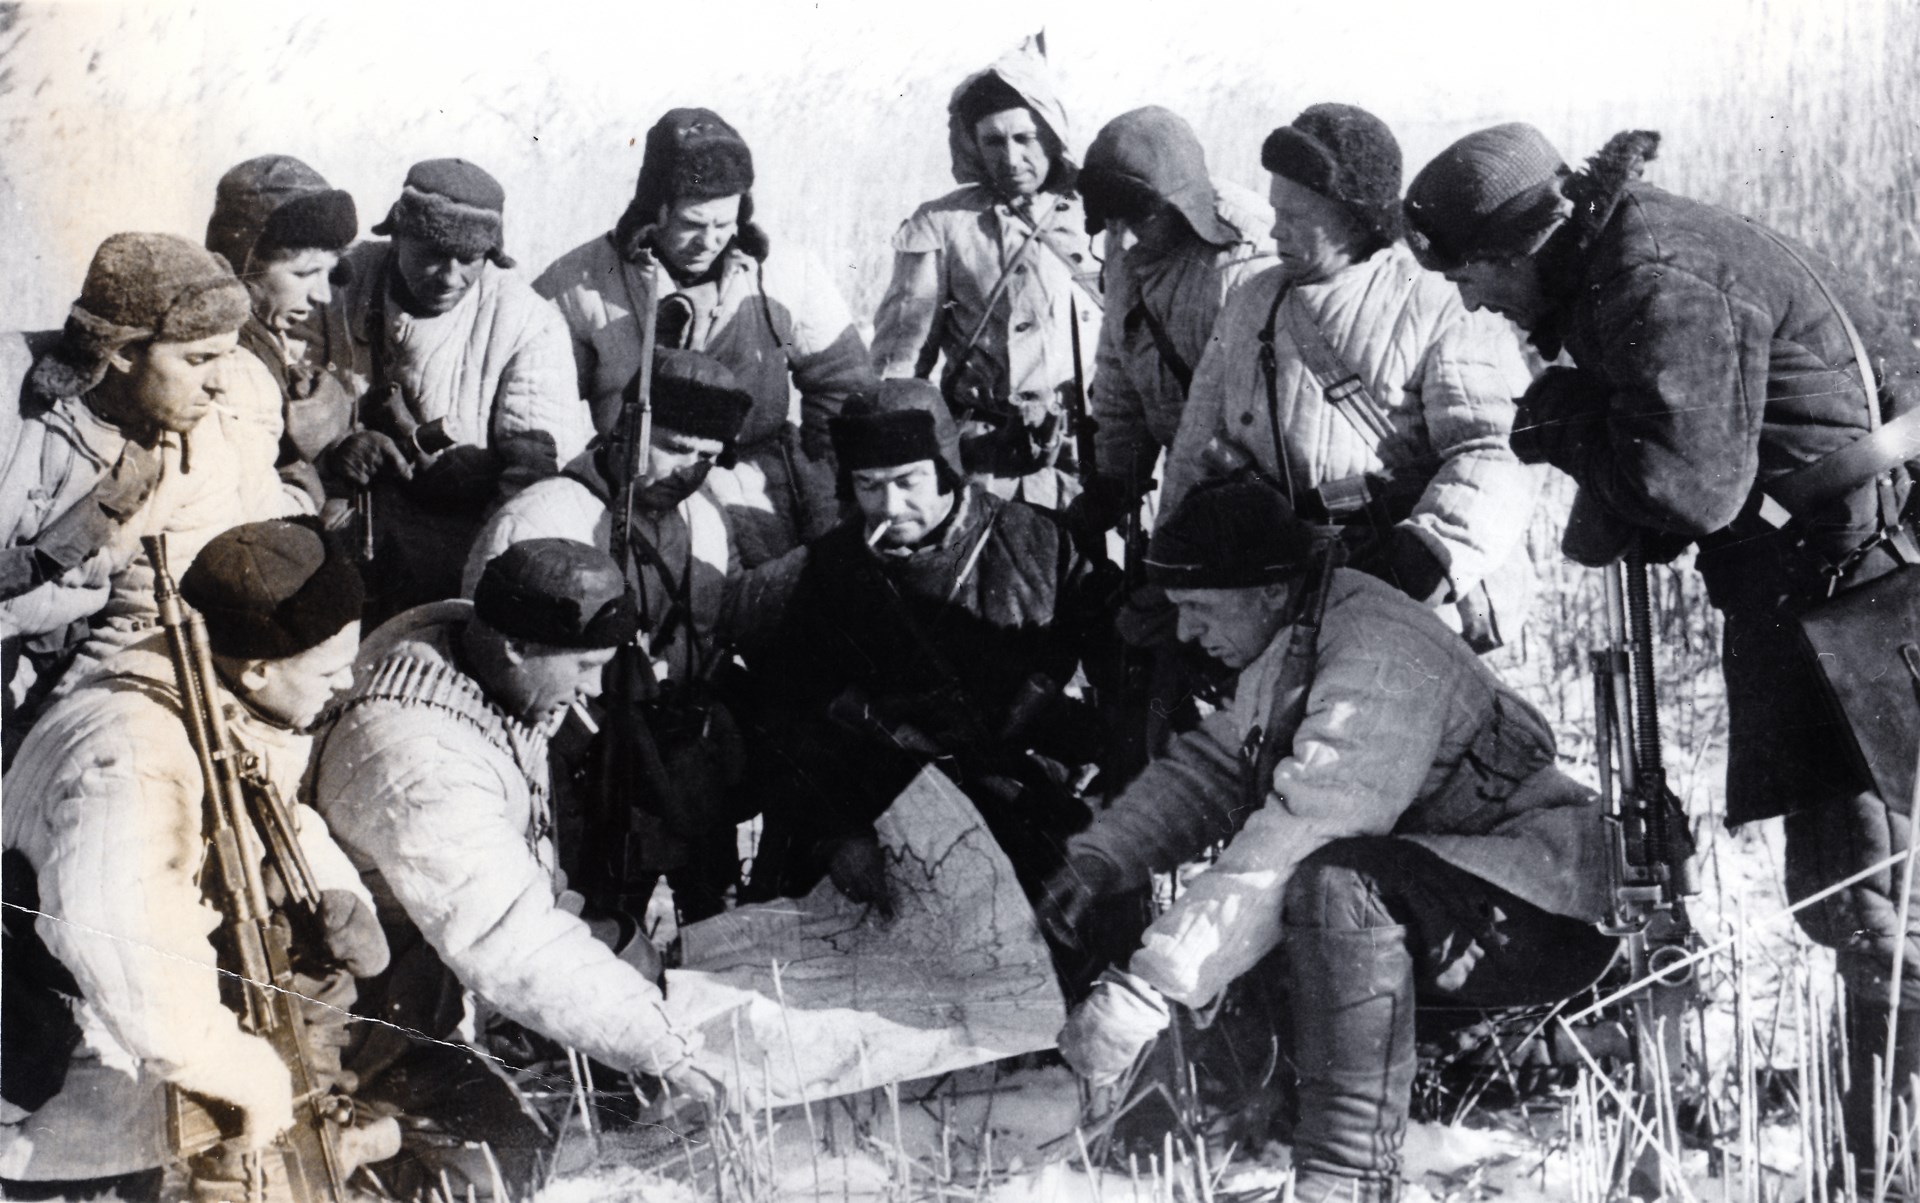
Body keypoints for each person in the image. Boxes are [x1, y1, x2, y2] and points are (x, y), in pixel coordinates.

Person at [1404, 124, 1920, 1189]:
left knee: (1884, 909)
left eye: (1472, 274)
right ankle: (1871, 1150)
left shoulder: (1650, 274)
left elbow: (1689, 485)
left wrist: (1567, 424)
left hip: (1866, 595)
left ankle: (1886, 1167)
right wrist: (1592, 425)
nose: (1473, 302)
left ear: (1519, 245)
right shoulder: (1623, 259)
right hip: (1824, 590)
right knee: (1850, 901)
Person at [1041, 477, 1617, 1203]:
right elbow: (1217, 766)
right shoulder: (1302, 632)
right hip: (1462, 907)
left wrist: (1150, 987)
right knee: (1317, 896)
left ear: (1266, 590)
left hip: (1537, 918)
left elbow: (1305, 829)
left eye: (1198, 608)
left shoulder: (1374, 650)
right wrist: (1106, 852)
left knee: (1331, 883)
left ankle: (1347, 1177)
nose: (1185, 633)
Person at [1, 519, 396, 1201]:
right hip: (65, 1095)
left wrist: (334, 885)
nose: (347, 683)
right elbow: (125, 944)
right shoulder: (135, 754)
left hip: (123, 1050)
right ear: (261, 666)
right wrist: (245, 1074)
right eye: (330, 670)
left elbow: (258, 797)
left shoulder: (215, 694)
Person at [314, 538, 712, 1195]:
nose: (593, 687)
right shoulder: (418, 760)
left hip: (432, 955)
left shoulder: (469, 641)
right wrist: (667, 1047)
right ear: (515, 648)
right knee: (513, 1162)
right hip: (371, 1009)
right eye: (584, 665)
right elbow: (509, 938)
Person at [739, 379, 1115, 930]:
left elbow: (1127, 670)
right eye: (868, 485)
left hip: (1019, 804)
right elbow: (792, 711)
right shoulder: (832, 570)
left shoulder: (1044, 545)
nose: (890, 506)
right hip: (876, 808)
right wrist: (838, 830)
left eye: (908, 481)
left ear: (945, 466)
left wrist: (1098, 768)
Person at [1158, 104, 1537, 647]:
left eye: (1296, 215)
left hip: (1404, 589)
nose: (1276, 229)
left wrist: (1430, 553)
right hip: (1278, 591)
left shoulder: (1435, 300)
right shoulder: (1251, 301)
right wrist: (1169, 567)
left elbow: (1495, 449)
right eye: (1274, 210)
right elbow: (1197, 442)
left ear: (1353, 214)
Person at [461, 348, 760, 920]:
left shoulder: (708, 518)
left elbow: (726, 618)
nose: (689, 472)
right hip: (585, 776)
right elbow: (496, 667)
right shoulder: (540, 519)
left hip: (682, 767)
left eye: (708, 457)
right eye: (674, 448)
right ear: (626, 429)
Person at [537, 108, 873, 567]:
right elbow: (541, 407)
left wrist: (825, 480)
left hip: (762, 500)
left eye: (724, 224)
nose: (709, 240)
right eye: (692, 225)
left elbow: (844, 383)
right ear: (655, 209)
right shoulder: (581, 282)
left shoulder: (788, 271)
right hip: (636, 503)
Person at [0, 233, 300, 742]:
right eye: (198, 360)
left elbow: (141, 623)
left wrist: (35, 741)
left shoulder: (196, 454)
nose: (219, 384)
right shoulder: (10, 396)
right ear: (122, 352)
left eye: (226, 357)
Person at [337, 158, 590, 621]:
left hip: (455, 551)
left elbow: (532, 478)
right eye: (431, 253)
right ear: (397, 234)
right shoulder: (341, 281)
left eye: (469, 260)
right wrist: (335, 445)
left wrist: (478, 593)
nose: (450, 277)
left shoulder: (526, 323)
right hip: (339, 528)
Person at [869, 38, 1102, 508]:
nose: (1011, 158)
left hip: (1086, 452)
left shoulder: (1095, 213)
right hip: (986, 460)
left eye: (1025, 139)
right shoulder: (941, 225)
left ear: (1053, 134)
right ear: (972, 144)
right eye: (993, 141)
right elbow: (901, 362)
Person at [1065, 105, 1275, 537]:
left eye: (1138, 220)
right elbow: (1119, 374)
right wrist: (1114, 478)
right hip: (1187, 478)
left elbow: (1258, 420)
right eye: (1110, 220)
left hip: (1253, 492)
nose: (1121, 240)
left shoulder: (1246, 262)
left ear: (1182, 206)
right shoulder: (1126, 243)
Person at [204, 153, 369, 517]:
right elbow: (251, 509)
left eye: (329, 273)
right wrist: (309, 501)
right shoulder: (226, 366)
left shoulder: (263, 334)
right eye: (304, 273)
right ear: (242, 265)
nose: (323, 296)